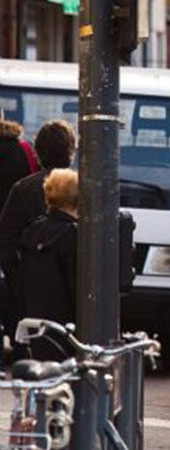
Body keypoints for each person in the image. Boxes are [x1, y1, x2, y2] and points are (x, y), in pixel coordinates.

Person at [0, 120, 70, 339]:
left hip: (31, 292)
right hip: (70, 293)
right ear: (71, 151)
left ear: (38, 151)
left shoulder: (23, 189)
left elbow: (6, 240)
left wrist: (18, 279)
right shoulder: (83, 186)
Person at [16, 169, 78, 360]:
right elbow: (76, 284)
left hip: (37, 319)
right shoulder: (73, 235)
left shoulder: (32, 231)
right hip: (65, 324)